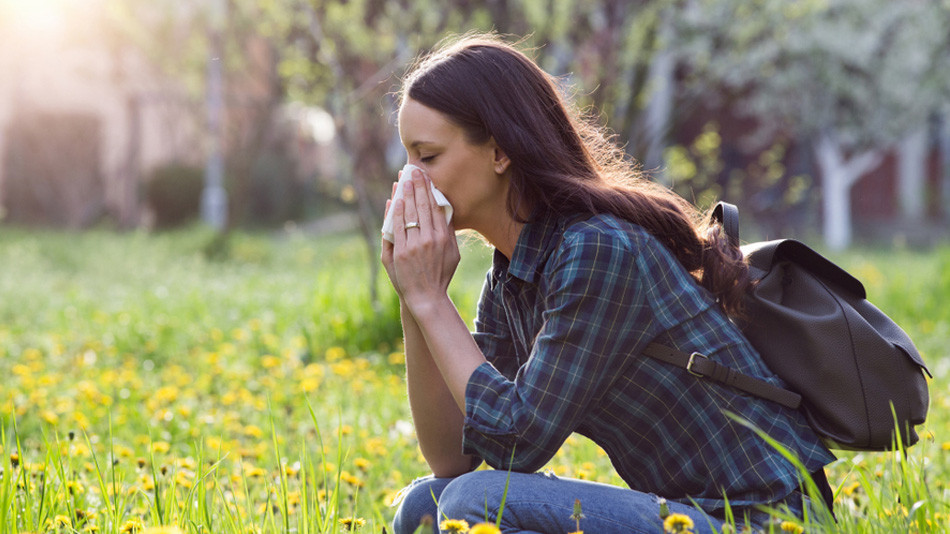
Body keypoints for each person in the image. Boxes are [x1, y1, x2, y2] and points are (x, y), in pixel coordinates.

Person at [381, 34, 835, 534]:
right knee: (423, 506)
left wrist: (430, 301)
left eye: (427, 157)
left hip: (768, 520)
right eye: (407, 158)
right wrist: (415, 296)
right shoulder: (513, 273)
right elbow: (452, 457)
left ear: (498, 152)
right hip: (686, 513)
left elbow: (519, 441)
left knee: (474, 502)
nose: (410, 181)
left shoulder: (596, 249)